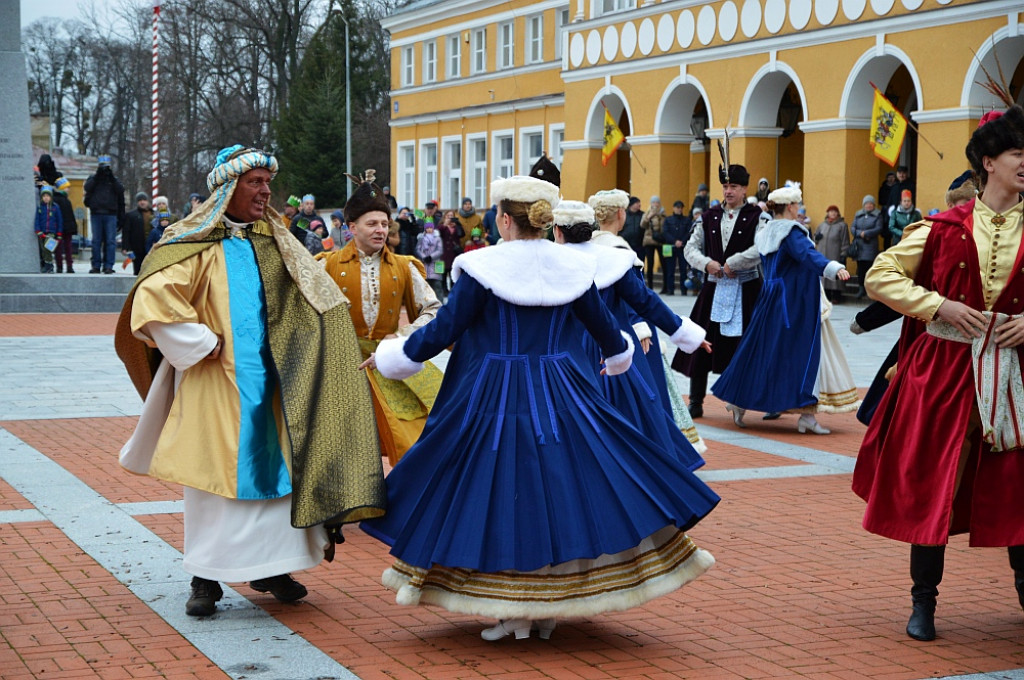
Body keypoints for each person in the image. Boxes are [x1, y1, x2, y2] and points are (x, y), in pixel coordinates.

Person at [360, 175, 719, 641]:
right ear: (544, 219)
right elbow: (608, 332)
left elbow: (442, 329)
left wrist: (393, 356)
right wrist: (617, 360)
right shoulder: (571, 267)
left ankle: (516, 606)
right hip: (563, 391)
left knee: (499, 488)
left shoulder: (480, 267)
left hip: (494, 393)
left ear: (504, 219)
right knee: (564, 486)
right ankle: (547, 605)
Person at [114, 145, 384, 617]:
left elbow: (318, 301)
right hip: (214, 383)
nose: (265, 191)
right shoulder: (192, 241)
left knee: (279, 480)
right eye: (255, 182)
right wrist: (197, 341)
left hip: (277, 385)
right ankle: (205, 577)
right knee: (212, 479)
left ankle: (272, 566)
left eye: (267, 182)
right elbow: (154, 298)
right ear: (228, 187)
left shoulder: (278, 241)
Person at [852, 104, 1024, 643]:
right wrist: (938, 306)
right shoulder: (943, 227)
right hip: (945, 374)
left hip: (1014, 374)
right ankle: (922, 602)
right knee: (935, 484)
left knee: (1019, 486)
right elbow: (880, 276)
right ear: (989, 161)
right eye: (1020, 154)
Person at [555, 198, 711, 465]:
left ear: (558, 231)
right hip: (616, 352)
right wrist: (686, 333)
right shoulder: (615, 260)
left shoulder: (554, 264)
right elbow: (646, 301)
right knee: (634, 413)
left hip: (572, 354)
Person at [319, 170, 442, 467]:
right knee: (344, 452)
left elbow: (434, 310)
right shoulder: (327, 266)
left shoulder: (404, 266)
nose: (380, 230)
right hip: (341, 372)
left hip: (388, 364)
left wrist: (401, 337)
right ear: (352, 227)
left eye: (384, 224)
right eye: (372, 223)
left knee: (410, 443)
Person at [712, 183, 856, 434]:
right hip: (793, 302)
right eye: (797, 204)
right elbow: (809, 257)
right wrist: (833, 267)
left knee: (760, 351)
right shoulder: (792, 232)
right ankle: (806, 415)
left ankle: (738, 399)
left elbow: (753, 256)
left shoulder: (767, 230)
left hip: (770, 297)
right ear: (790, 206)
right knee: (799, 355)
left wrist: (730, 263)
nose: (798, 209)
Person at [673, 163, 766, 418]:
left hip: (746, 290)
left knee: (748, 345)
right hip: (713, 289)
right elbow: (690, 249)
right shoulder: (709, 216)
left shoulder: (757, 216)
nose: (728, 191)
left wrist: (733, 263)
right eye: (725, 186)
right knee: (700, 343)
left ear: (745, 188)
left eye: (733, 187)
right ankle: (696, 400)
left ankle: (752, 399)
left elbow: (762, 248)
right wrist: (707, 264)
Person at [83, 155, 125, 274]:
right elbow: (87, 187)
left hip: (110, 214)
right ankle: (96, 265)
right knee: (96, 241)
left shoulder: (113, 180)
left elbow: (120, 190)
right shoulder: (93, 178)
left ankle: (108, 265)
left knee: (110, 241)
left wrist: (111, 177)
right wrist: (97, 175)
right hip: (96, 213)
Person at [849, 195, 884, 298]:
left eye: (870, 204)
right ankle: (861, 289)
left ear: (873, 205)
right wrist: (860, 233)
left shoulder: (878, 215)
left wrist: (867, 233)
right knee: (860, 268)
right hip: (859, 246)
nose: (868, 206)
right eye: (866, 204)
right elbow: (853, 228)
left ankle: (869, 289)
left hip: (870, 246)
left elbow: (879, 228)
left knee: (869, 268)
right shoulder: (858, 215)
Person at [814, 204, 850, 302]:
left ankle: (837, 296)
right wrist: (816, 238)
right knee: (824, 276)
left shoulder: (842, 225)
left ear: (838, 213)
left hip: (835, 253)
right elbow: (815, 238)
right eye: (831, 211)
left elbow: (845, 241)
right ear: (828, 213)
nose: (833, 213)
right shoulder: (822, 225)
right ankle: (826, 296)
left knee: (836, 274)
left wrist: (844, 253)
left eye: (835, 212)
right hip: (822, 253)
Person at [658, 200, 690, 296]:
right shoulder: (668, 220)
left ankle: (683, 290)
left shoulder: (686, 220)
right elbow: (665, 232)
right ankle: (670, 289)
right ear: (674, 208)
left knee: (683, 269)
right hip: (669, 246)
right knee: (669, 269)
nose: (679, 209)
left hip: (683, 247)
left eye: (681, 208)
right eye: (677, 207)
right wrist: (674, 241)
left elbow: (688, 232)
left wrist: (681, 242)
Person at [122, 192, 154, 275]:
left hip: (151, 247)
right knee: (138, 271)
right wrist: (125, 247)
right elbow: (126, 232)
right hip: (137, 247)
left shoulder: (154, 214)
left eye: (144, 200)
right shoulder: (131, 215)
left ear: (148, 201)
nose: (142, 202)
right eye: (140, 200)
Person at [34, 185, 63, 273]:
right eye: (44, 196)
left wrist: (59, 233)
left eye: (48, 196)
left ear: (51, 197)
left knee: (48, 248)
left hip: (52, 232)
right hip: (42, 232)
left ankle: (49, 265)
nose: (46, 198)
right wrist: (38, 230)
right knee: (43, 249)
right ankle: (47, 265)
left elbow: (59, 220)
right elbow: (37, 220)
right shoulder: (40, 207)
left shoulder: (55, 207)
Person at [52, 177, 77, 274]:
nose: (69, 189)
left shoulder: (58, 199)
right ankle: (68, 266)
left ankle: (60, 267)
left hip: (59, 228)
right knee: (67, 248)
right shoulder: (63, 200)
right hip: (64, 228)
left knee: (59, 248)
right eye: (67, 187)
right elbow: (69, 216)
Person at [640, 195, 665, 288]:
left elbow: (664, 227)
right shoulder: (646, 213)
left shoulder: (662, 213)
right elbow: (642, 225)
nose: (655, 204)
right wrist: (649, 216)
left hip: (660, 241)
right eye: (654, 202)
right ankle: (650, 286)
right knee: (650, 264)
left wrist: (659, 216)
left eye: (657, 202)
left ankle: (665, 286)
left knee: (663, 263)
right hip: (649, 241)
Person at [415, 222, 445, 300]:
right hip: (424, 263)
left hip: (436, 263)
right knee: (425, 285)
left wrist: (431, 257)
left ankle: (440, 302)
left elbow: (440, 250)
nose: (429, 230)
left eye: (430, 228)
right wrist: (424, 257)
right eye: (427, 228)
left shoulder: (438, 238)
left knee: (437, 285)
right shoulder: (421, 238)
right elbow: (418, 249)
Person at [621, 196, 644, 260]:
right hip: (627, 244)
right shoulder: (624, 215)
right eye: (637, 203)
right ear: (631, 204)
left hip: (640, 245)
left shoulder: (643, 215)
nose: (639, 204)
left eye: (639, 203)